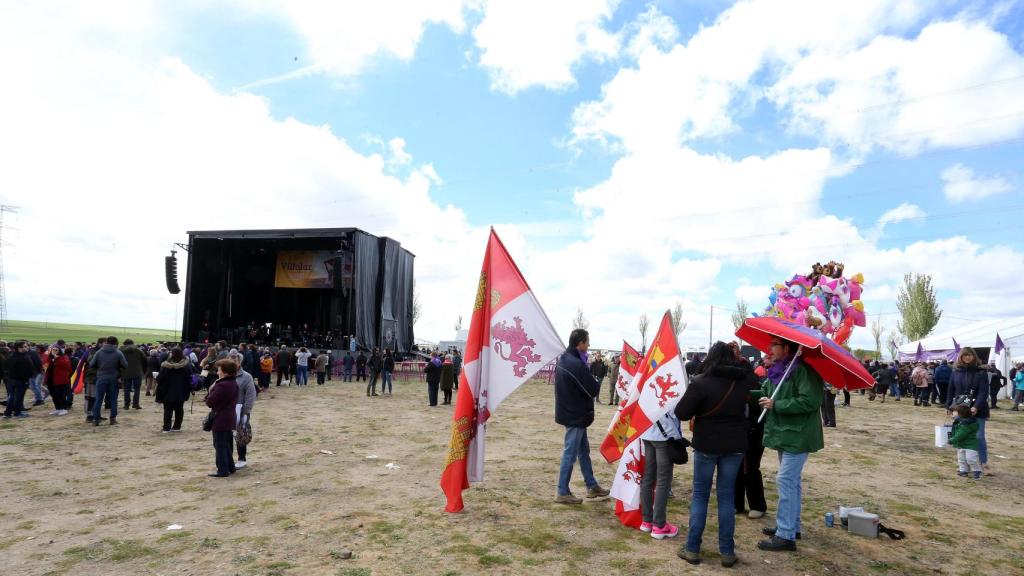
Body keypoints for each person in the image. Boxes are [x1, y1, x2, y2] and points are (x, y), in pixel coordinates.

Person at [675, 341, 753, 567]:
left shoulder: (701, 382)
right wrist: (742, 359)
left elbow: (681, 413)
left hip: (707, 444)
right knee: (726, 497)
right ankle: (727, 551)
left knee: (700, 495)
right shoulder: (743, 381)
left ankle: (692, 548)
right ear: (733, 358)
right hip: (735, 445)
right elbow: (753, 377)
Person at [755, 336, 824, 552]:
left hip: (799, 435)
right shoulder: (779, 370)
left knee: (785, 480)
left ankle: (785, 535)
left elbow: (810, 401)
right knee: (792, 482)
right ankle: (791, 526)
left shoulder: (803, 371)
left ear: (786, 348)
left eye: (774, 345)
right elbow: (766, 391)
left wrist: (777, 404)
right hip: (785, 434)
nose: (770, 349)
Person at [554, 328, 609, 504]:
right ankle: (562, 491)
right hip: (575, 415)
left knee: (583, 452)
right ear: (580, 343)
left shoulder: (565, 359)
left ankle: (591, 486)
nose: (589, 344)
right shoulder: (575, 364)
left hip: (573, 412)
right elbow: (592, 389)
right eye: (587, 341)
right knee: (570, 453)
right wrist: (594, 379)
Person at [638, 410, 682, 541]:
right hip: (664, 434)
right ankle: (659, 525)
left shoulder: (644, 387)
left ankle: (647, 521)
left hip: (647, 431)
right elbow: (676, 412)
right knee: (663, 480)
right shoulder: (672, 387)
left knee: (648, 476)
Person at [945, 347, 991, 475]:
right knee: (961, 436)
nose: (967, 357)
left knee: (979, 436)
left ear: (974, 356)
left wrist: (976, 406)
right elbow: (951, 390)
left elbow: (983, 392)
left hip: (979, 409)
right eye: (965, 355)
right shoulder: (955, 371)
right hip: (960, 409)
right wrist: (948, 406)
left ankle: (983, 463)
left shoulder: (981, 372)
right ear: (960, 357)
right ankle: (963, 464)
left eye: (970, 355)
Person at [736, 353, 768, 522]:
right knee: (736, 468)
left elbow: (758, 408)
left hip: (752, 432)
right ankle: (737, 503)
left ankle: (757, 505)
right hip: (739, 432)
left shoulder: (752, 383)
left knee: (750, 469)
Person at [205, 359, 239, 477]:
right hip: (228, 417)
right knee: (226, 444)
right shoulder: (232, 382)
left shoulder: (222, 385)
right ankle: (230, 466)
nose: (217, 372)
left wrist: (211, 389)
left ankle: (223, 470)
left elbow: (210, 402)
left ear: (224, 372)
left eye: (219, 369)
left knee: (219, 445)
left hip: (221, 418)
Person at [89, 336, 128, 426]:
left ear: (106, 342)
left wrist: (99, 368)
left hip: (101, 377)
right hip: (114, 378)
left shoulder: (99, 352)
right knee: (113, 400)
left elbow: (91, 364)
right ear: (115, 343)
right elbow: (125, 365)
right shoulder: (118, 353)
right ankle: (113, 419)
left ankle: (95, 419)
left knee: (98, 399)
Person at [229, 352, 257, 470]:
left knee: (240, 435)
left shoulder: (246, 377)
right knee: (226, 436)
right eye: (230, 360)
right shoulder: (225, 374)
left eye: (235, 361)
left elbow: (251, 395)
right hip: (226, 410)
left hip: (240, 411)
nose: (232, 363)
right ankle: (228, 459)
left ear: (240, 362)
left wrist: (246, 411)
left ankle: (242, 458)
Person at [155, 348, 192, 432]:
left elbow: (160, 378)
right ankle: (177, 427)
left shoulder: (166, 366)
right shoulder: (187, 365)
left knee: (168, 409)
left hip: (167, 390)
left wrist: (157, 378)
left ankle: (166, 428)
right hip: (182, 390)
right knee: (179, 409)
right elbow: (190, 376)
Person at [948, 404, 981, 479]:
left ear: (960, 414)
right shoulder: (961, 421)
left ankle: (977, 470)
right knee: (961, 459)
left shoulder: (966, 425)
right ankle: (963, 471)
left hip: (970, 445)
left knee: (971, 459)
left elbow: (960, 435)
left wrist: (951, 440)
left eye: (955, 412)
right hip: (961, 445)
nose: (953, 413)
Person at [4, 341, 35, 418]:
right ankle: (17, 413)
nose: (27, 347)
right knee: (19, 397)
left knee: (12, 397)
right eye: (24, 346)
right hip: (20, 380)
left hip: (12, 379)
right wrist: (27, 378)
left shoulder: (11, 356)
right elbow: (25, 370)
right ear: (19, 348)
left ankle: (8, 413)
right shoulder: (22, 357)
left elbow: (6, 368)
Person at [119, 339, 148, 410]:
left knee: (126, 389)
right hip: (137, 372)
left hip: (125, 372)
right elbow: (145, 361)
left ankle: (126, 405)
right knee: (137, 389)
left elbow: (118, 362)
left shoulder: (120, 351)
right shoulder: (139, 350)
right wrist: (143, 371)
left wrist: (120, 372)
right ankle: (136, 404)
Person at [44, 347, 72, 416]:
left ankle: (64, 408)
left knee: (61, 395)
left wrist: (57, 358)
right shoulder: (50, 358)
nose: (54, 351)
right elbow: (45, 366)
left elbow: (66, 366)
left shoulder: (64, 357)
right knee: (54, 395)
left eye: (56, 350)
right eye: (53, 350)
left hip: (60, 380)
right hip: (51, 379)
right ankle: (58, 408)